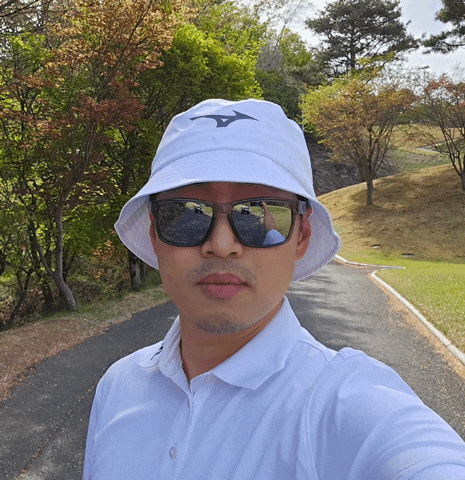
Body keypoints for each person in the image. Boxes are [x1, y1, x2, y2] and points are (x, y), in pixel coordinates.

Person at [82, 98, 465, 479]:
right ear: (154, 233)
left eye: (256, 213)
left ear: (302, 236)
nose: (222, 245)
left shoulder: (345, 404)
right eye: (185, 213)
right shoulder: (118, 387)